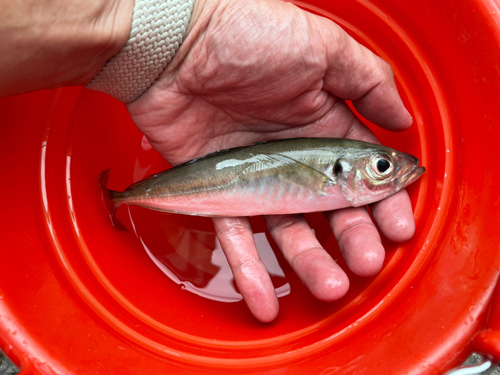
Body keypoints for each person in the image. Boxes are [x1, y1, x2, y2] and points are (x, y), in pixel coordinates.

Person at [1, 0, 415, 322]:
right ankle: (119, 198)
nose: (393, 172)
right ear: (340, 171)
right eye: (382, 166)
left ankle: (121, 198)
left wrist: (165, 36)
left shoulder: (336, 175)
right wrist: (183, 36)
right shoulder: (334, 176)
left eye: (384, 166)